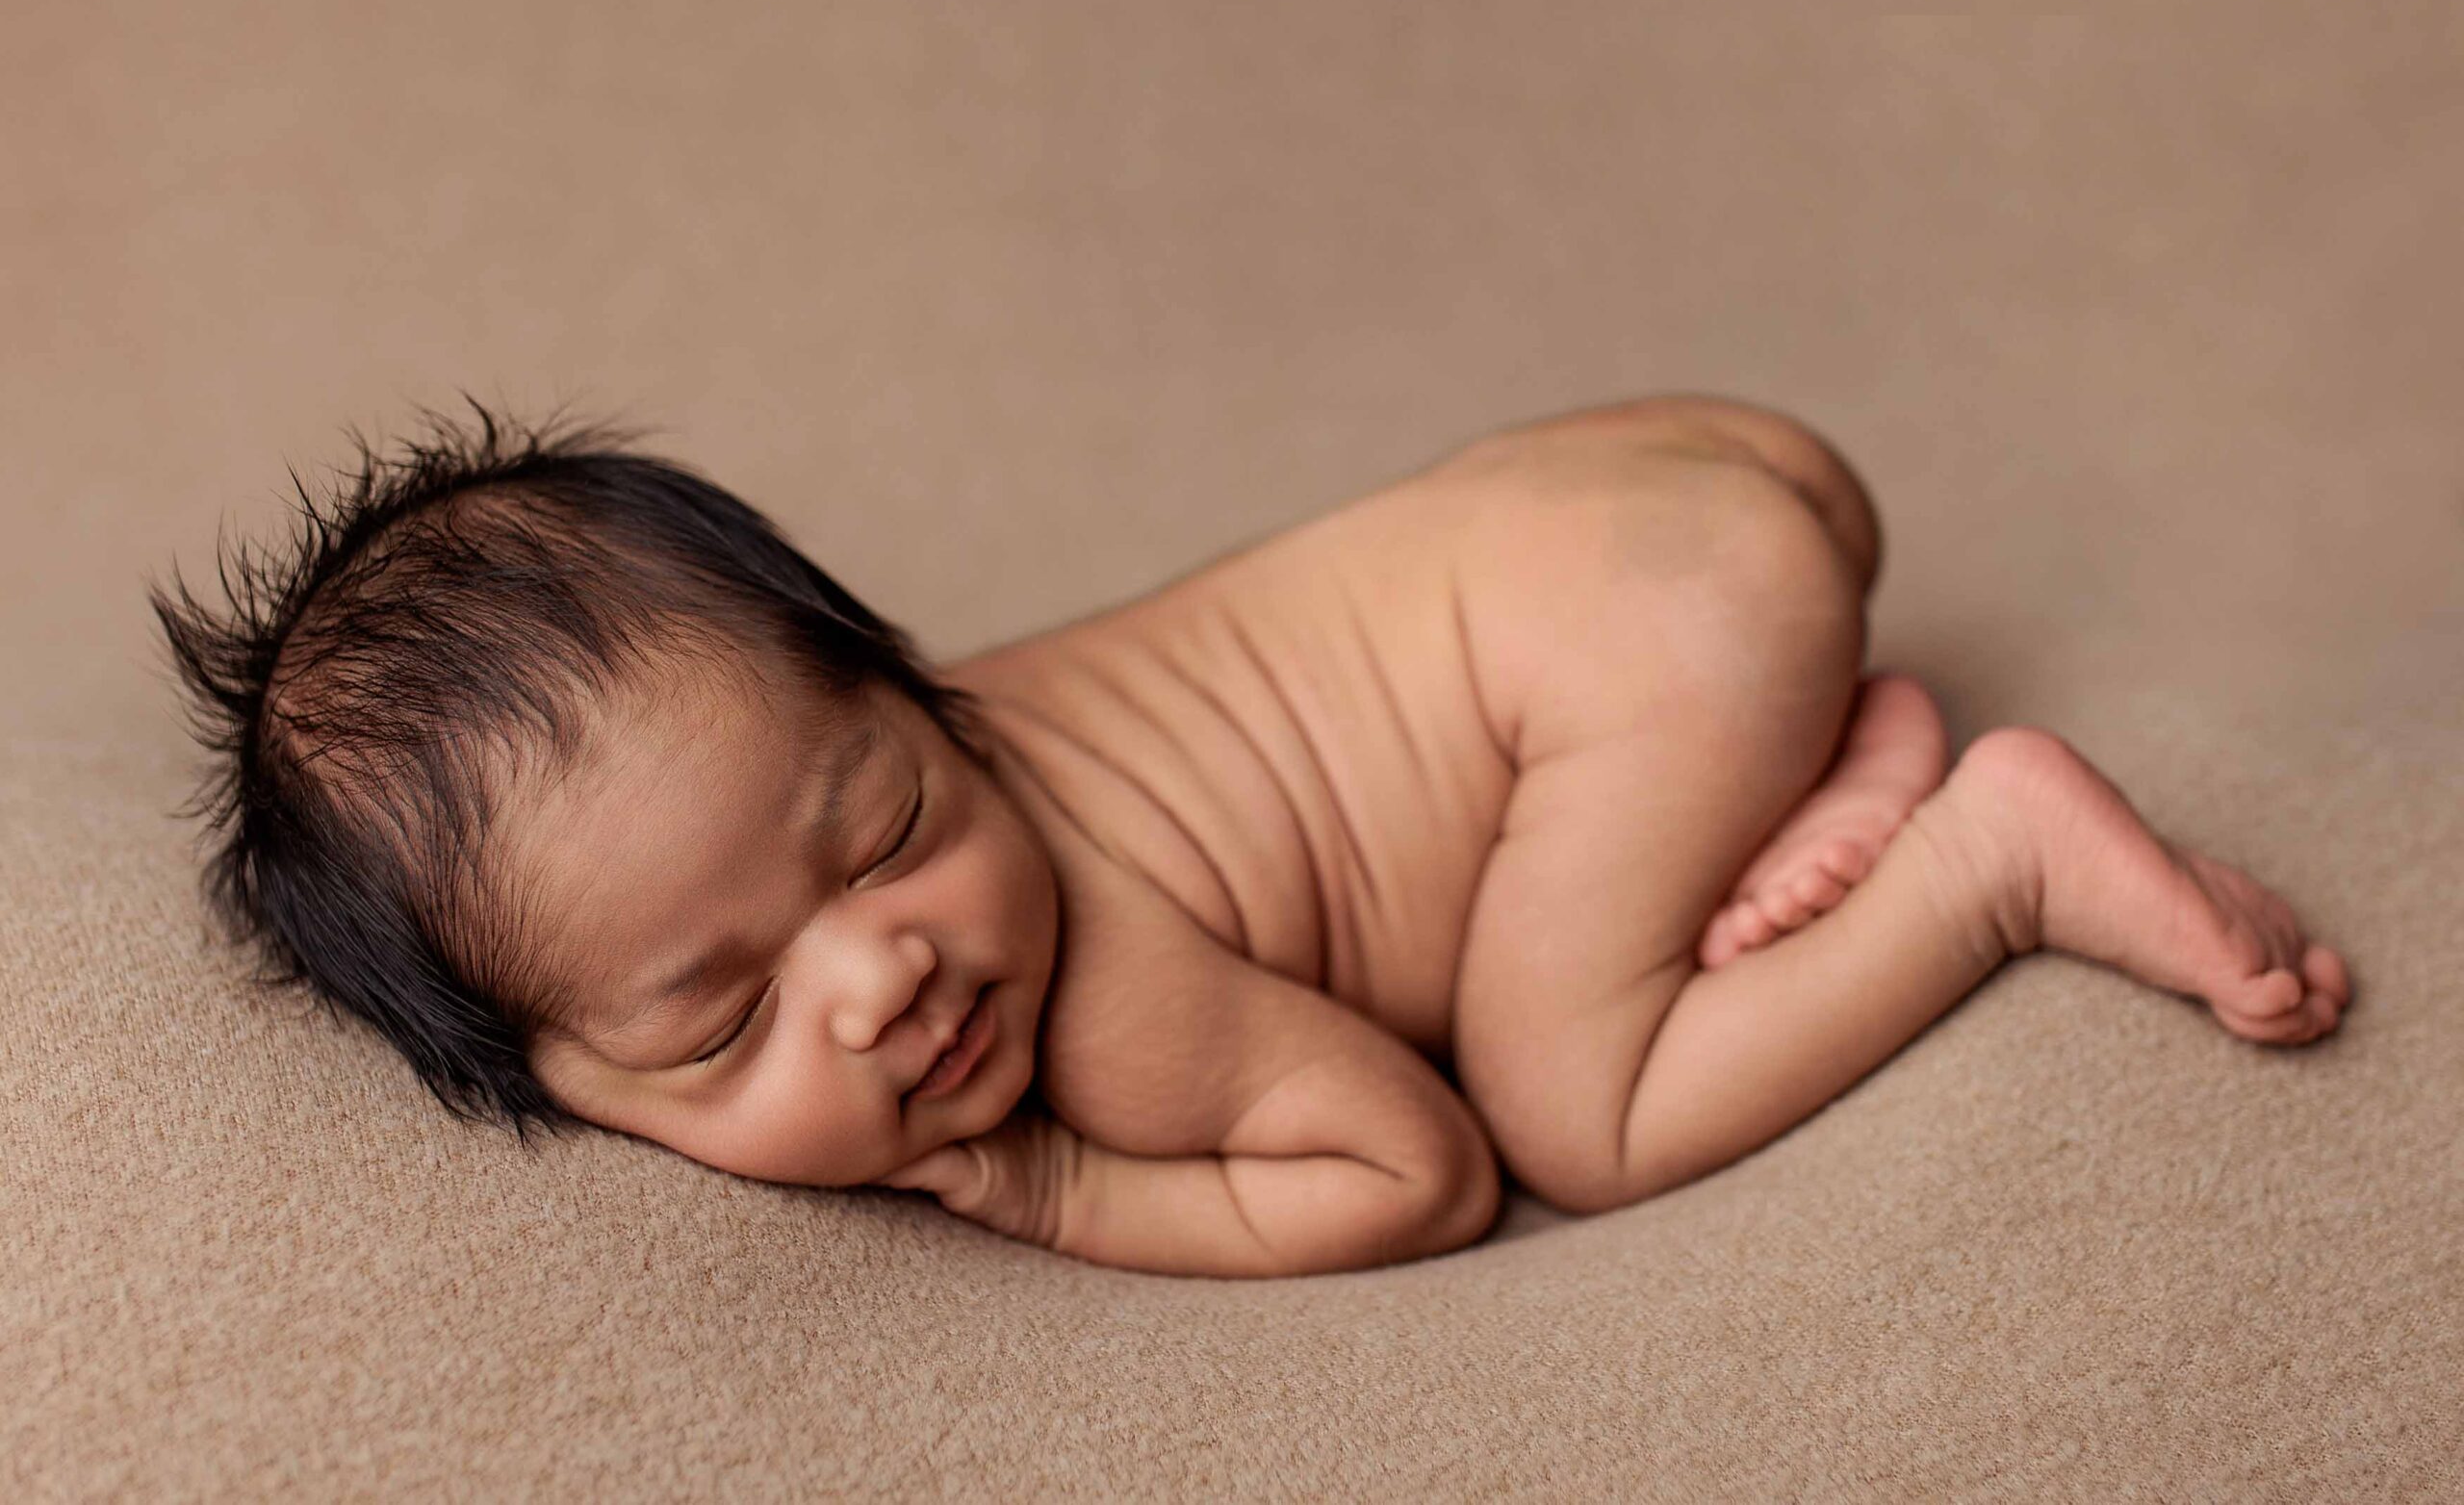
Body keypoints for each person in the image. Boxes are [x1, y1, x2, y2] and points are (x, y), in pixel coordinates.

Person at [148, 393, 2351, 1277]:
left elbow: (1422, 1172)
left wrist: (1054, 1180)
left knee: (1576, 1096)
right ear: (549, 1088)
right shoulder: (798, 769)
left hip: (1633, 637)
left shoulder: (1090, 1014)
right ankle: (1825, 758)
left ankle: (1985, 852)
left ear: (909, 695)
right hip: (1685, 495)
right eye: (721, 1017)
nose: (884, 971)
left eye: (891, 824)